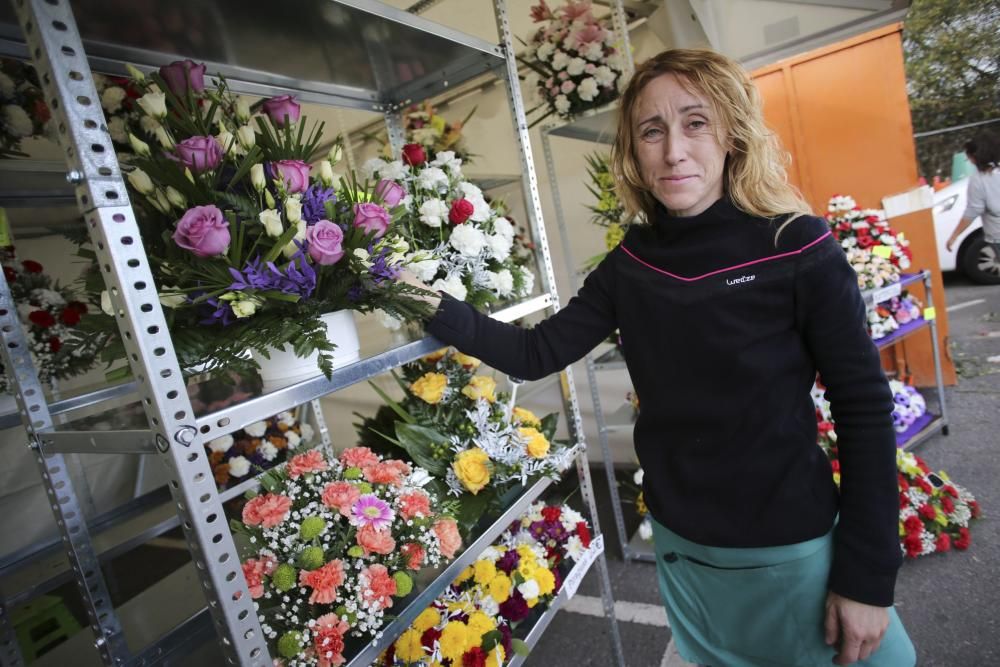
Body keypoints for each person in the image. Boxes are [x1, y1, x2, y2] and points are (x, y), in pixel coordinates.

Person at [410, 48, 915, 666]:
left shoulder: (795, 247)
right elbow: (534, 352)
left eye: (695, 122)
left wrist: (867, 575)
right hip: (681, 550)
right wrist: (422, 299)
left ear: (731, 132)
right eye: (652, 130)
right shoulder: (632, 264)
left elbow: (863, 408)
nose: (673, 149)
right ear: (633, 151)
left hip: (784, 546)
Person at [946, 129, 1000, 260]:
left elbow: (973, 210)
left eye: (969, 157)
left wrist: (954, 235)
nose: (969, 161)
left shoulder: (979, 180)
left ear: (977, 157)